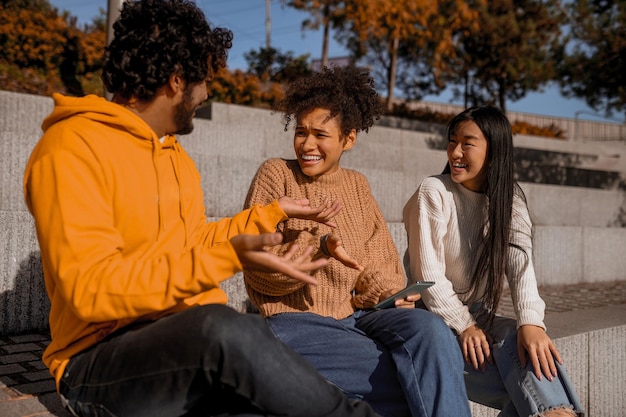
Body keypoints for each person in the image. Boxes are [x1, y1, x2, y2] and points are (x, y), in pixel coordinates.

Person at [22, 1, 384, 416]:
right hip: (97, 362)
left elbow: (189, 242)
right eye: (204, 80)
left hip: (182, 344)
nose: (206, 93)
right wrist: (229, 256)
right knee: (225, 326)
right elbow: (90, 291)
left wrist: (267, 216)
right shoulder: (71, 148)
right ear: (177, 81)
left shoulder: (175, 157)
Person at [242, 65, 471, 417]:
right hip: (296, 321)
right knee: (409, 380)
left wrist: (387, 294)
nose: (306, 144)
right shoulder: (276, 174)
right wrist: (317, 248)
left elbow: (379, 264)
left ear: (348, 138)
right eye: (300, 132)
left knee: (430, 329)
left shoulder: (358, 186)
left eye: (320, 134)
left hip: (360, 315)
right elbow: (256, 268)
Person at [402, 105, 585, 417]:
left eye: (467, 143)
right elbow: (428, 275)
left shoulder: (508, 199)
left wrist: (530, 322)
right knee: (528, 392)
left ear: (494, 150)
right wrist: (464, 325)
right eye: (452, 141)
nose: (455, 152)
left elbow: (521, 267)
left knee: (525, 346)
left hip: (477, 314)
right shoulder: (434, 191)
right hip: (428, 316)